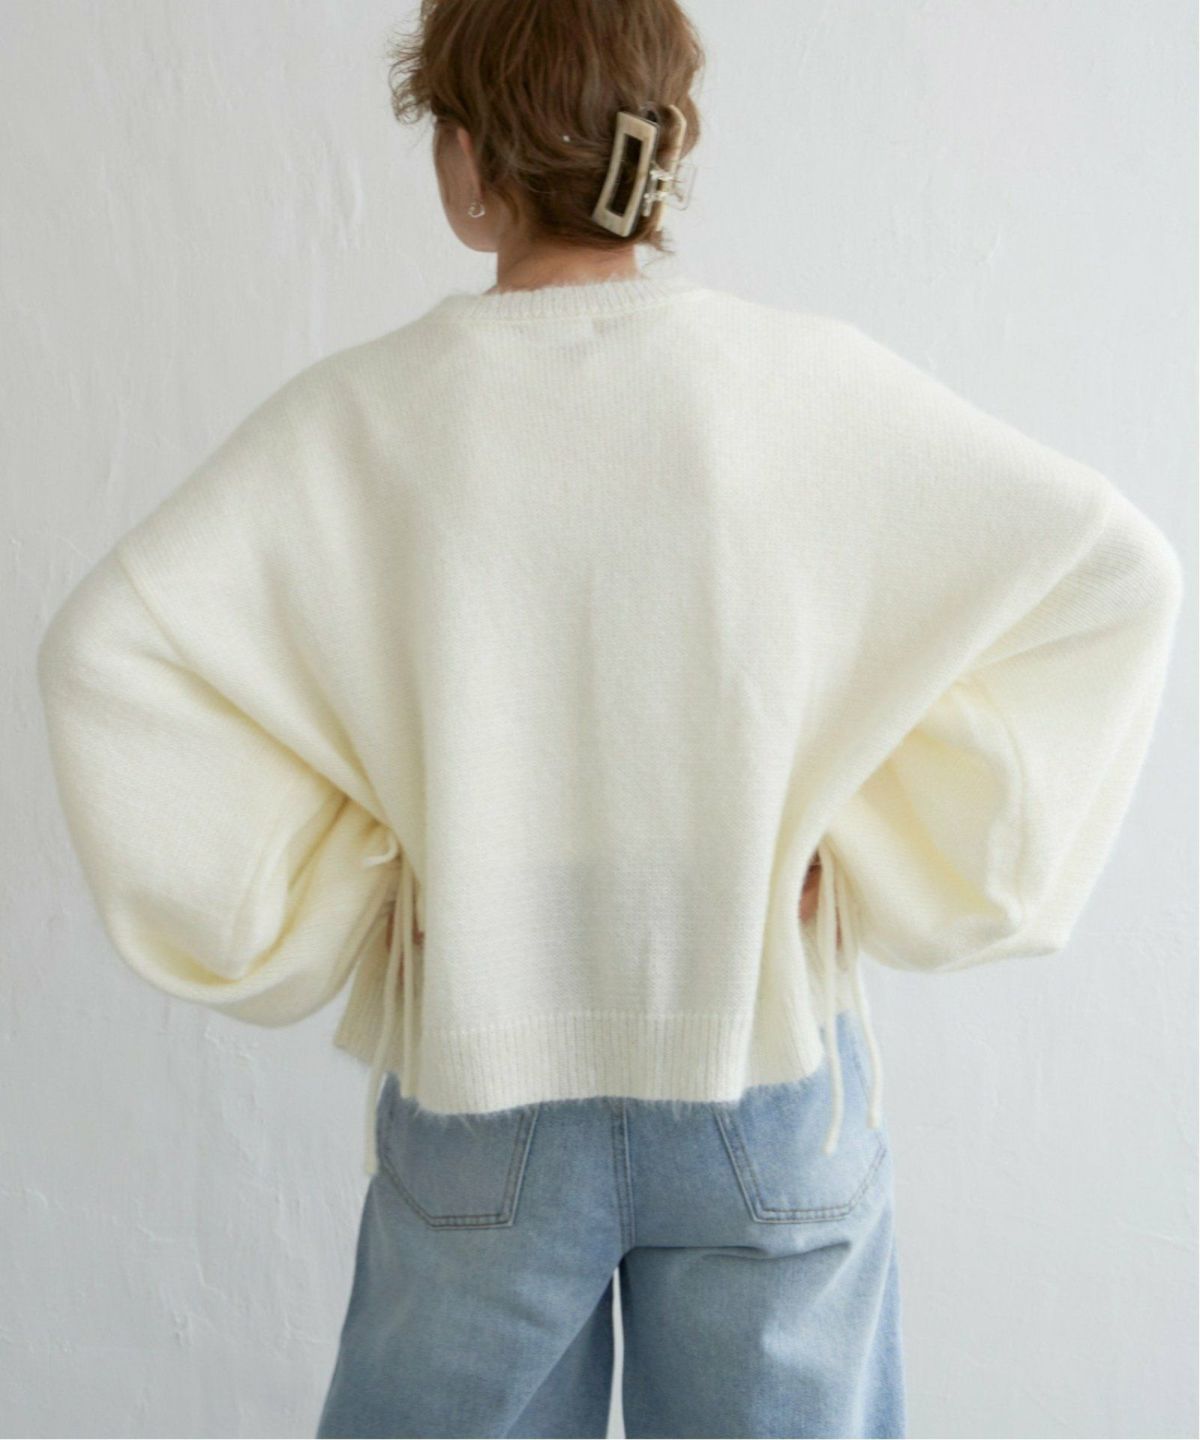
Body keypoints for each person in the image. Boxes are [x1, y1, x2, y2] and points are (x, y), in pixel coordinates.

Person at [34, 2, 1183, 1437]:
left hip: (486, 1078)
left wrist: (364, 881)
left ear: (464, 165)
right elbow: (1114, 574)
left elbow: (109, 651)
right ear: (668, 145)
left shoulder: (368, 418)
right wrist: (857, 836)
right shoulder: (806, 386)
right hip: (762, 1063)